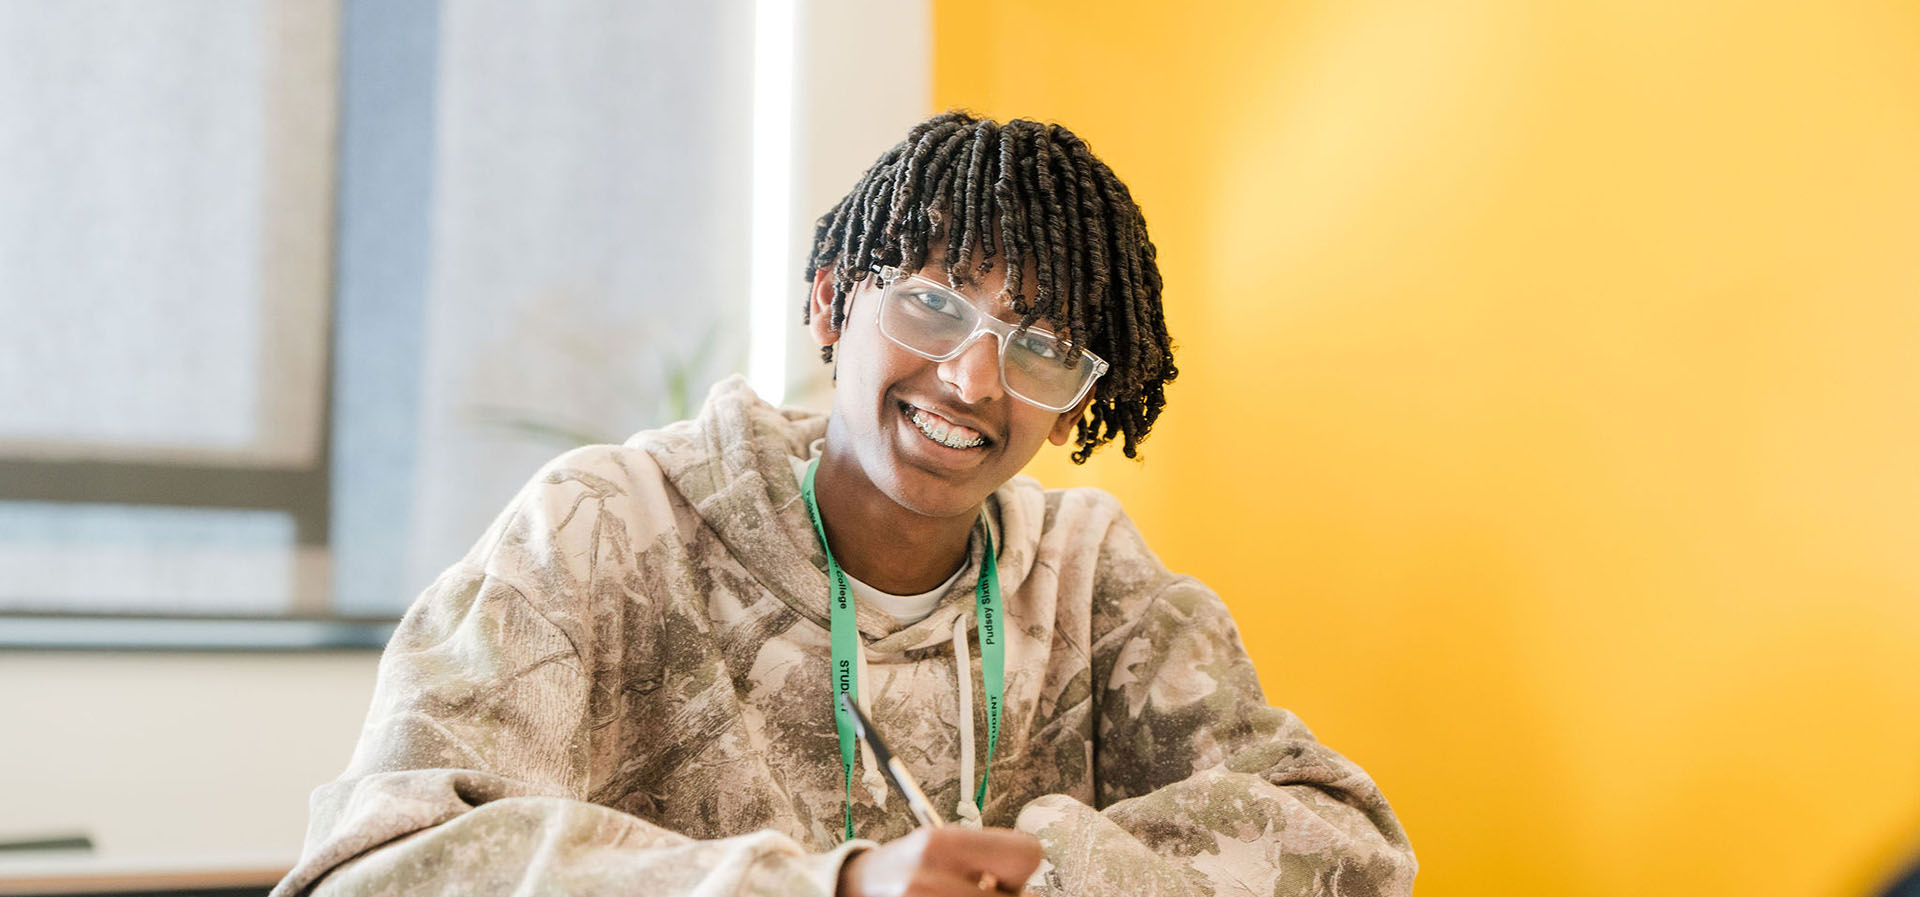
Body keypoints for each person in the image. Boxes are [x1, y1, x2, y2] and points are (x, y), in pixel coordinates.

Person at [271, 110, 1417, 897]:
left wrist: (1045, 870)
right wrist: (839, 884)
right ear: (831, 304)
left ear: (1074, 406)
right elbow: (379, 862)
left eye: (1042, 347)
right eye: (931, 305)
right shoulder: (606, 527)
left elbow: (1346, 846)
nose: (972, 381)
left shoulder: (1088, 579)